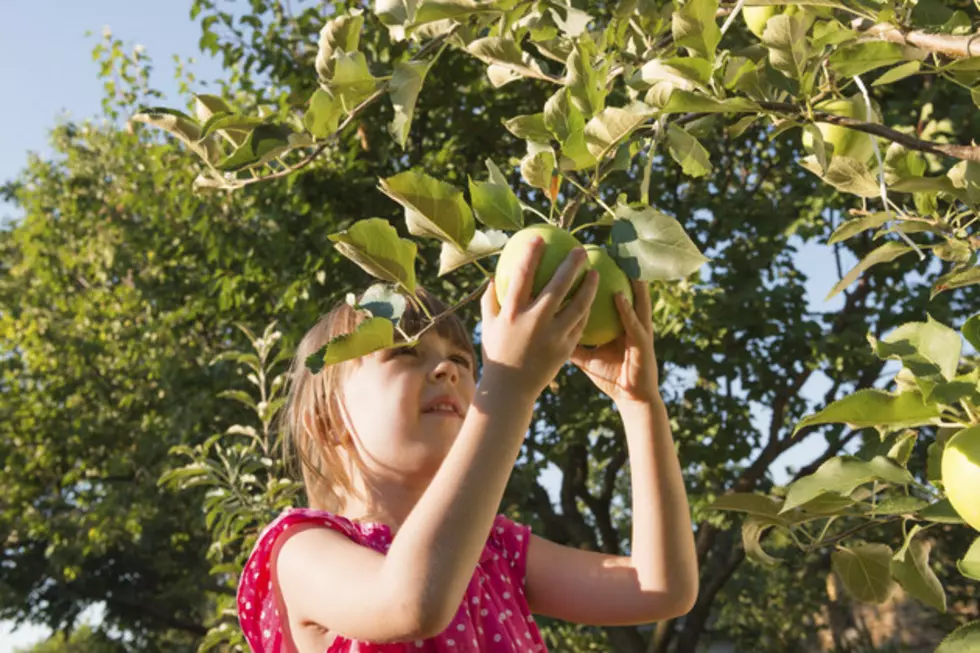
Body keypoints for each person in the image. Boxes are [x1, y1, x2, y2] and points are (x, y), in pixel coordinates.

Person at [236, 236, 699, 652]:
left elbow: (660, 587)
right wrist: (510, 388)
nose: (447, 370)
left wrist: (640, 404)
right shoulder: (300, 551)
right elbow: (411, 602)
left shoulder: (495, 550)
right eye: (406, 352)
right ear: (327, 420)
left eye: (461, 359)